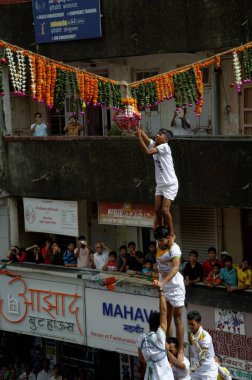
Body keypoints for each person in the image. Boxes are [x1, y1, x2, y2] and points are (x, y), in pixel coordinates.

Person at [137, 127, 178, 235]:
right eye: (158, 134)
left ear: (166, 139)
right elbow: (147, 139)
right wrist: (140, 130)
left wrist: (138, 137)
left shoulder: (165, 147)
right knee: (157, 210)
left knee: (165, 210)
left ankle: (171, 233)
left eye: (161, 134)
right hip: (160, 184)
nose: (157, 135)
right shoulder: (156, 145)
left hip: (170, 184)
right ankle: (160, 227)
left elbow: (147, 151)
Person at [153, 225, 185, 360]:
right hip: (164, 286)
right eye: (158, 241)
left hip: (175, 286)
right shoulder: (159, 246)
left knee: (177, 319)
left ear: (168, 238)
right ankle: (168, 345)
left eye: (162, 240)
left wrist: (162, 282)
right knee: (166, 318)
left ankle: (181, 349)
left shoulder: (174, 248)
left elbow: (175, 268)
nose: (159, 243)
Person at [137, 283, 174, 380]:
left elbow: (141, 358)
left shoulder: (141, 337)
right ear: (159, 325)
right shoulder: (160, 336)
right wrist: (161, 292)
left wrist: (151, 360)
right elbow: (163, 312)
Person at [187, 310, 218, 379]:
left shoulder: (205, 337)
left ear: (199, 323)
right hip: (197, 370)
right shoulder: (189, 335)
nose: (190, 326)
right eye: (189, 324)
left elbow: (202, 358)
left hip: (208, 371)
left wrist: (191, 370)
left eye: (192, 324)